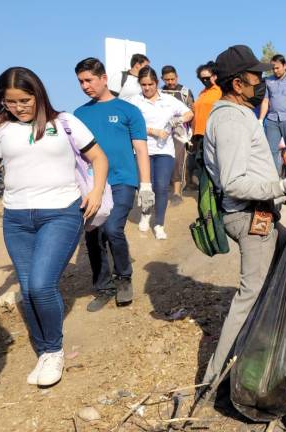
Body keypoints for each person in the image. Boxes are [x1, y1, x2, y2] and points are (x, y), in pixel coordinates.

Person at [0, 67, 109, 386]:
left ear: (38, 94)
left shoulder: (63, 122)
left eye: (24, 100)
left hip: (61, 214)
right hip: (16, 219)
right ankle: (43, 351)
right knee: (27, 290)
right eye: (11, 102)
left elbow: (99, 158)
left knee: (40, 285)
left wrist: (95, 192)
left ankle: (53, 351)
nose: (18, 107)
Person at [200, 44, 286, 390]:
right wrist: (281, 184)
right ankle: (214, 383)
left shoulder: (239, 114)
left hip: (259, 213)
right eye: (255, 76)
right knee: (250, 296)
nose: (261, 81)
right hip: (251, 219)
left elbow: (253, 170)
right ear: (237, 84)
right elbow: (234, 182)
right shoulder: (231, 120)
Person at [74, 57, 154, 312]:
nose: (85, 86)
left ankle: (124, 278)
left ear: (104, 78)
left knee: (112, 229)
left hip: (122, 181)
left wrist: (145, 185)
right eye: (80, 81)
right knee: (94, 235)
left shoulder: (128, 111)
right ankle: (103, 286)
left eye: (89, 80)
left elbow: (141, 149)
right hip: (91, 184)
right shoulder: (79, 114)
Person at [129, 66, 194, 240]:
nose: (147, 88)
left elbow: (189, 113)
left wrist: (178, 119)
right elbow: (129, 123)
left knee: (161, 186)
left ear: (157, 83)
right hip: (142, 149)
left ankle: (159, 224)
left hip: (165, 150)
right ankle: (145, 213)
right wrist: (153, 131)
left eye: (150, 84)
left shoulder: (168, 100)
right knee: (145, 186)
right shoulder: (134, 101)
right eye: (143, 85)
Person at [259, 54, 286, 176]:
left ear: (285, 66)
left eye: (277, 68)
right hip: (272, 119)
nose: (275, 70)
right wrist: (260, 119)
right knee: (271, 151)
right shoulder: (268, 81)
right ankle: (274, 179)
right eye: (273, 68)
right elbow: (265, 101)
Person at [161, 65, 195, 205]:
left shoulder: (185, 92)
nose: (170, 82)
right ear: (162, 78)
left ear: (177, 77)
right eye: (167, 79)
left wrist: (191, 132)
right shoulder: (159, 92)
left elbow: (193, 111)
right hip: (162, 131)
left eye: (172, 79)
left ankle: (176, 192)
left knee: (178, 160)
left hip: (180, 132)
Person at [190, 62, 221, 189]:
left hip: (211, 133)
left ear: (214, 76)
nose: (205, 80)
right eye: (202, 78)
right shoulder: (202, 93)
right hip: (198, 134)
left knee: (211, 165)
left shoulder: (220, 91)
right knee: (200, 164)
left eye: (207, 77)